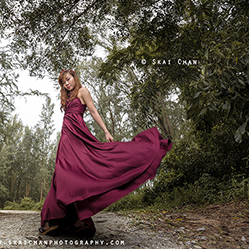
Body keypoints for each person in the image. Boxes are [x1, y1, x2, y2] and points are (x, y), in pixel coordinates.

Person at [38, 69, 172, 237]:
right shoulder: (68, 96)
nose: (67, 83)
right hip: (66, 137)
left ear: (74, 77)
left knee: (83, 168)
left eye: (68, 79)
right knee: (62, 172)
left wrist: (106, 131)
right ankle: (65, 219)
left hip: (79, 136)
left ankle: (70, 219)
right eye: (63, 82)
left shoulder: (82, 91)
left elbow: (93, 111)